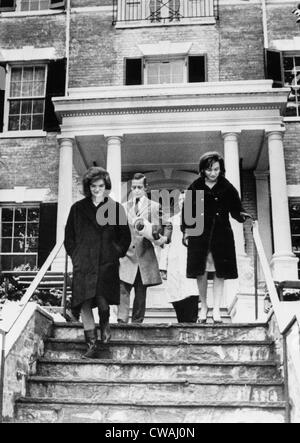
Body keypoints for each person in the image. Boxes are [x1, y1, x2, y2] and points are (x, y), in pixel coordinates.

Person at [65, 167, 131, 359]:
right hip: (84, 263)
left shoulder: (115, 208)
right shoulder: (77, 209)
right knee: (84, 301)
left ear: (106, 186)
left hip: (106, 262)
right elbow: (69, 237)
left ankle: (104, 322)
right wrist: (76, 256)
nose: (97, 189)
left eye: (101, 186)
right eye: (93, 186)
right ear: (88, 187)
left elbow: (124, 237)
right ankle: (92, 344)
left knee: (103, 303)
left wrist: (115, 252)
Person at [181, 152, 250, 324]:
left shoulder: (227, 187)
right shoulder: (195, 187)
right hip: (200, 236)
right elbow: (187, 214)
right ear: (203, 170)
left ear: (221, 169)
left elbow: (236, 209)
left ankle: (217, 309)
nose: (213, 173)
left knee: (220, 271)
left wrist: (242, 215)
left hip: (221, 236)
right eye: (209, 170)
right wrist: (186, 232)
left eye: (216, 169)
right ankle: (204, 307)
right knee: (201, 271)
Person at [117, 173, 172, 324]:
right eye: (134, 187)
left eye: (139, 187)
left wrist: (164, 238)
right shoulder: (122, 207)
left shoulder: (154, 206)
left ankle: (137, 323)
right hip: (126, 255)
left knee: (141, 293)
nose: (136, 190)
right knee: (123, 289)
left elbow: (168, 224)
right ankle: (121, 321)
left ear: (146, 188)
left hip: (144, 255)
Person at [160, 191, 199, 323]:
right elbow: (166, 243)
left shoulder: (198, 220)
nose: (183, 201)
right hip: (174, 260)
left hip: (191, 259)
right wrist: (162, 266)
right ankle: (181, 322)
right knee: (176, 293)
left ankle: (192, 322)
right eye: (181, 199)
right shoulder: (172, 220)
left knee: (192, 290)